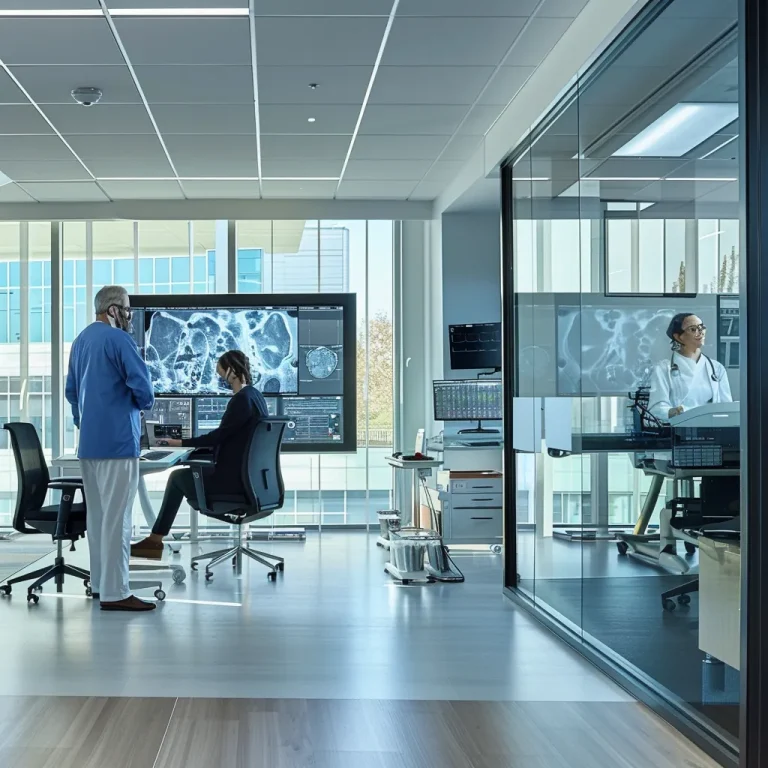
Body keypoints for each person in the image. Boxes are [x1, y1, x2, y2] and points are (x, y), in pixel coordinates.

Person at [65, 285, 156, 612]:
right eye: (127, 309)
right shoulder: (119, 340)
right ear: (113, 310)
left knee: (99, 519)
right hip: (118, 444)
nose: (130, 315)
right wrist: (140, 405)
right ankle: (117, 593)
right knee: (118, 520)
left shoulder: (80, 341)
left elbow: (71, 392)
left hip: (89, 445)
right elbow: (144, 390)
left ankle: (101, 584)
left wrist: (85, 422)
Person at [131, 350, 269, 559]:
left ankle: (154, 541)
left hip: (233, 484)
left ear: (232, 371)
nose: (220, 380)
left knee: (177, 477)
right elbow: (233, 438)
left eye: (221, 374)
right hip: (252, 482)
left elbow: (219, 437)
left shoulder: (241, 400)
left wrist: (180, 443)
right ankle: (154, 540)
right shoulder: (255, 396)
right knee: (183, 474)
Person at [648, 312, 732, 422]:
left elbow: (726, 408)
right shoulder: (663, 370)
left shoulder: (717, 369)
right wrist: (678, 412)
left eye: (702, 327)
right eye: (693, 329)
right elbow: (657, 409)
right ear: (678, 337)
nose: (701, 332)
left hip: (712, 429)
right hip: (680, 430)